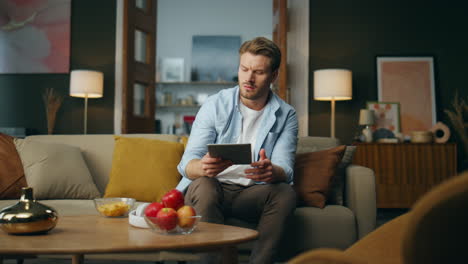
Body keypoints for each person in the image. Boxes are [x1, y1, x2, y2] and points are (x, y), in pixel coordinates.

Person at [176, 37, 298, 264]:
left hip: (251, 193)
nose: (248, 78)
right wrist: (201, 167)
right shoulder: (214, 104)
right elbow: (186, 164)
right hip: (211, 188)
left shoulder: (286, 114)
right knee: (205, 185)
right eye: (244, 69)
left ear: (273, 76)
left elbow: (287, 170)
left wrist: (273, 171)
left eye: (258, 72)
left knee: (285, 193)